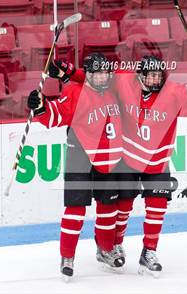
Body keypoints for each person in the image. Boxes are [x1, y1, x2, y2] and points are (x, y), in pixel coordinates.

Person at [48, 55, 187, 277]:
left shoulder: (173, 91)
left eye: (158, 75)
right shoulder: (125, 82)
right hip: (128, 159)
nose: (155, 80)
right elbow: (96, 78)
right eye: (150, 75)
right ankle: (113, 245)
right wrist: (69, 73)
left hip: (157, 161)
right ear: (140, 75)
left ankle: (149, 252)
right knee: (122, 208)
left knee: (157, 208)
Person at [27, 53, 123, 281]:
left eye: (104, 73)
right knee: (75, 209)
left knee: (108, 208)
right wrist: (40, 107)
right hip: (79, 156)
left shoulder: (116, 91)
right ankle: (67, 256)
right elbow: (56, 116)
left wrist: (68, 72)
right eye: (96, 73)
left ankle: (106, 249)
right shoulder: (75, 91)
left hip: (109, 159)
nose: (101, 78)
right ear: (88, 75)